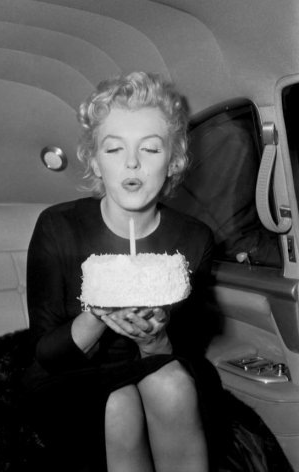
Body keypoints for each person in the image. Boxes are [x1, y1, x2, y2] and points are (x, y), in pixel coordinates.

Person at [20, 71, 293, 472]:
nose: (132, 162)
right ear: (95, 161)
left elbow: (189, 344)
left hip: (160, 362)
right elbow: (46, 352)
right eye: (114, 149)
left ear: (173, 160)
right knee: (120, 403)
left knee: (171, 384)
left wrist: (155, 338)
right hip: (70, 372)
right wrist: (98, 314)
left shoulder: (194, 237)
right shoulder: (58, 226)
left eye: (150, 149)